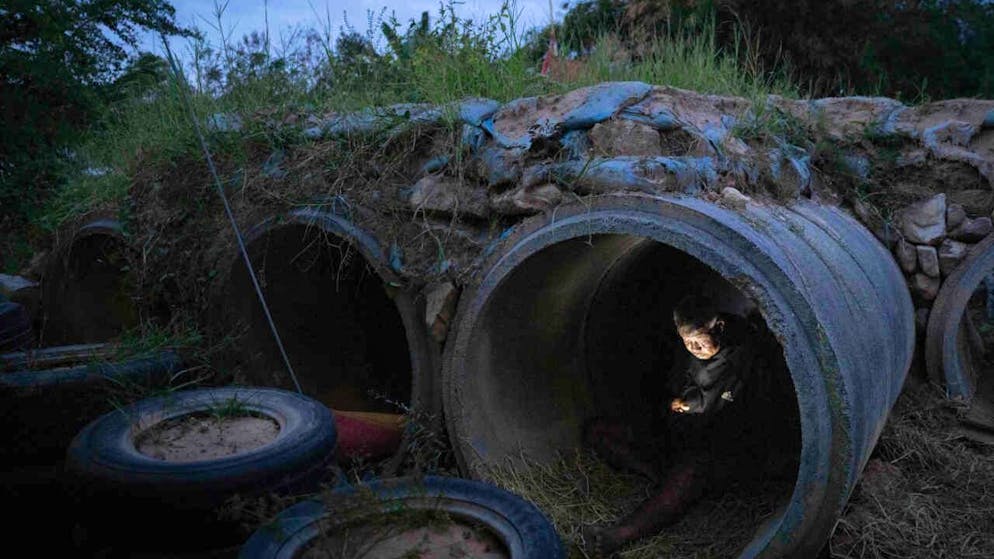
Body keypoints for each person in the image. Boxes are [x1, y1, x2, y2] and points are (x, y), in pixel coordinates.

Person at [583, 295, 795, 557]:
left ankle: (618, 535)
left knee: (690, 474)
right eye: (688, 342)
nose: (695, 347)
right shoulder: (683, 351)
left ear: (719, 326)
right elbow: (665, 390)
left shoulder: (744, 352)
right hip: (676, 434)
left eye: (700, 340)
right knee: (598, 431)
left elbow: (732, 408)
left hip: (721, 447)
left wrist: (688, 408)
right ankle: (656, 475)